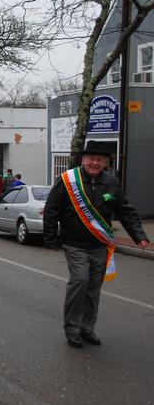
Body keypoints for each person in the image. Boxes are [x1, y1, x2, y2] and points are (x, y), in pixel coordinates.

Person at [43, 141, 149, 348]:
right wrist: (50, 239)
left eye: (99, 159)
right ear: (83, 160)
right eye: (91, 158)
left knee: (94, 287)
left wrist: (139, 236)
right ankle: (72, 329)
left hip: (100, 244)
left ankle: (87, 328)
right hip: (74, 244)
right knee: (80, 281)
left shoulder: (112, 182)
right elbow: (51, 210)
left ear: (105, 162)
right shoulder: (67, 180)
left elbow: (125, 210)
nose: (95, 163)